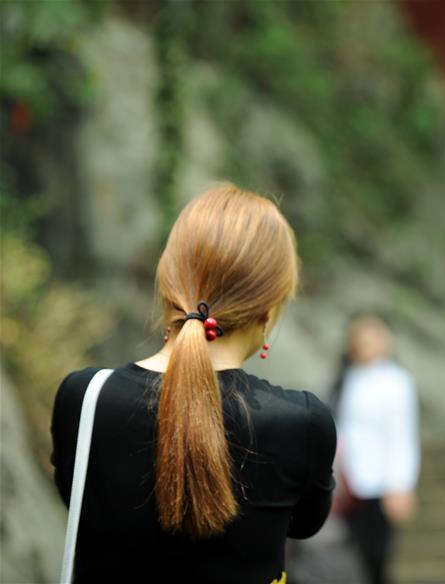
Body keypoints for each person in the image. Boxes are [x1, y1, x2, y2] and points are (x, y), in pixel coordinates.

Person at [50, 185, 336, 583]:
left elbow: (76, 500)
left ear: (168, 287)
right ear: (269, 309)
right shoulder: (301, 423)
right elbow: (305, 523)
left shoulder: (85, 399)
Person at [332, 315, 420, 584]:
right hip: (348, 483)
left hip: (380, 483)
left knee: (376, 558)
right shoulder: (345, 380)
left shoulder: (397, 382)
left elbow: (402, 435)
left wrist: (401, 484)